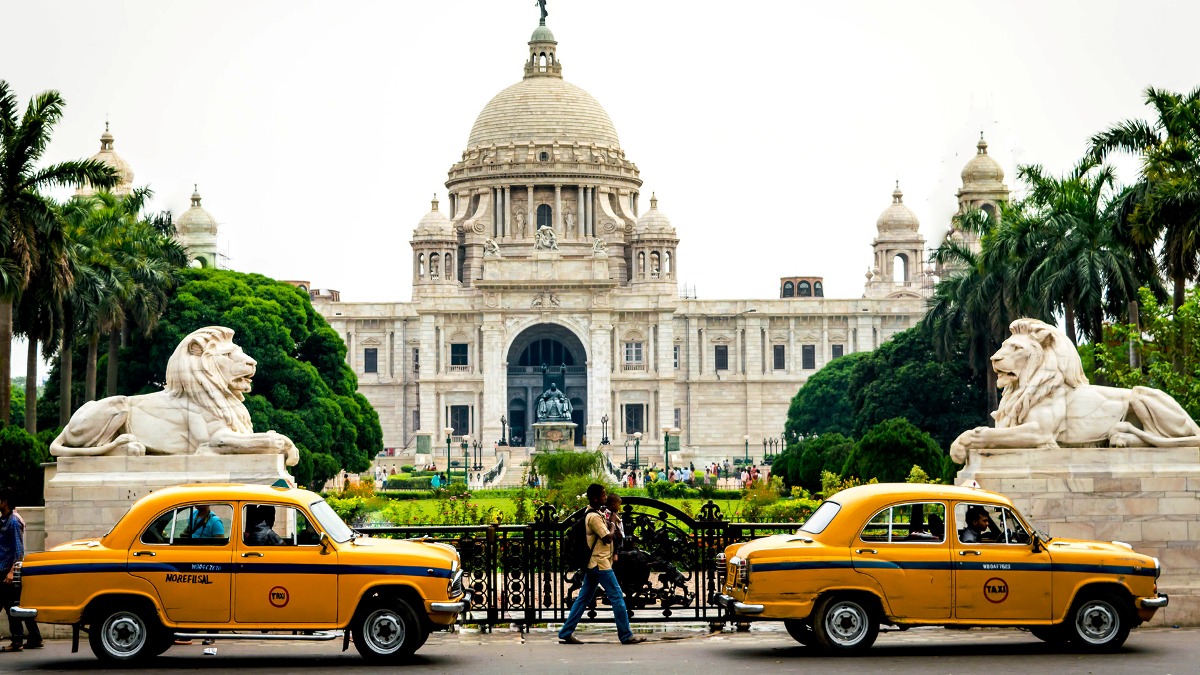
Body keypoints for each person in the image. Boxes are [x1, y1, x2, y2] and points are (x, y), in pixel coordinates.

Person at [558, 484, 645, 646]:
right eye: (603, 495)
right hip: (600, 564)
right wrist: (612, 523)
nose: (606, 498)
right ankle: (626, 635)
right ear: (595, 498)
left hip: (596, 563)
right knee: (617, 597)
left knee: (583, 598)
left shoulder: (595, 514)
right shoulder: (594, 517)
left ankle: (565, 632)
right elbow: (607, 538)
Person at [1, 485, 42, 652]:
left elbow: (19, 550)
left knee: (12, 606)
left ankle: (17, 641)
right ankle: (35, 637)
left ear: (4, 502)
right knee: (19, 605)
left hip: (8, 571)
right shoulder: (4, 519)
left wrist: (11, 572)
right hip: (3, 569)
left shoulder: (14, 521)